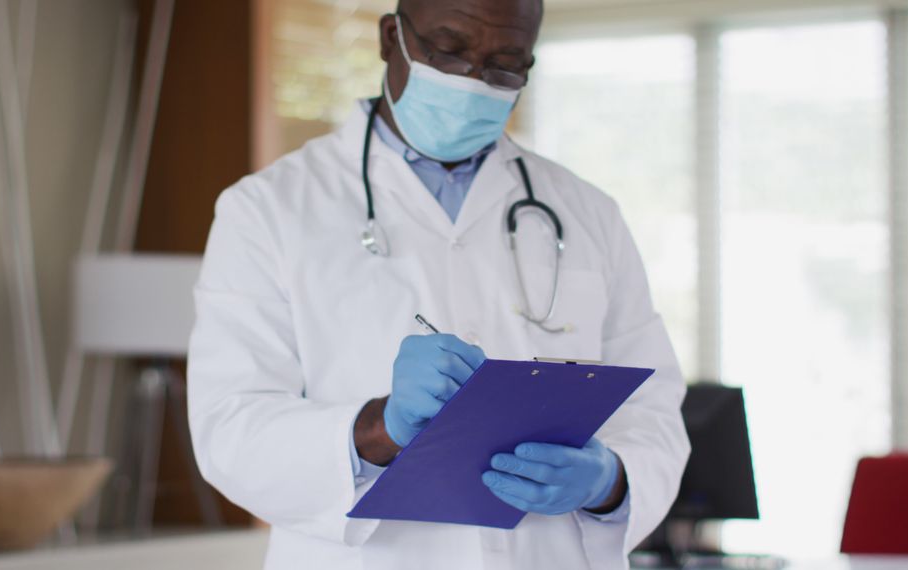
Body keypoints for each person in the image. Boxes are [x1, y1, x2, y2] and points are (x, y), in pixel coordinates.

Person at [187, 0, 689, 568]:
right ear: (389, 37)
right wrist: (379, 428)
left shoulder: (587, 212)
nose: (473, 82)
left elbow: (654, 411)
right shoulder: (267, 209)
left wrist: (610, 482)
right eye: (448, 51)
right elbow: (230, 430)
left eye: (505, 64)